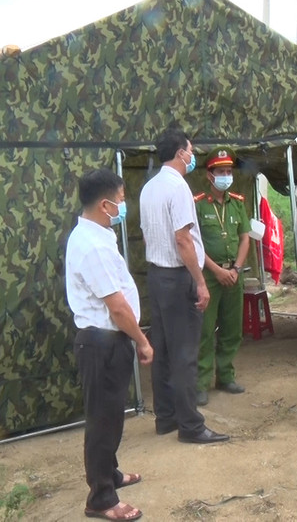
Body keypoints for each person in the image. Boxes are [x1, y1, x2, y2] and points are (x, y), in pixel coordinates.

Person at [65, 168, 153, 522]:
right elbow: (117, 307)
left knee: (112, 416)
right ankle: (101, 498)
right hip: (101, 344)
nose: (123, 205)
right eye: (120, 200)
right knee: (102, 422)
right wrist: (143, 341)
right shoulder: (90, 246)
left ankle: (111, 473)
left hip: (109, 342)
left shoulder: (99, 234)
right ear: (104, 204)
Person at [140, 127, 228, 444]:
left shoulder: (149, 188)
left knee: (162, 349)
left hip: (157, 276)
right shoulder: (178, 188)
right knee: (185, 353)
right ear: (180, 153)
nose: (193, 156)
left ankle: (166, 417)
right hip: (178, 278)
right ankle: (191, 425)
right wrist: (200, 282)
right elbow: (183, 239)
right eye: (191, 151)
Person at [194, 147, 251, 406]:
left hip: (234, 274)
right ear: (210, 175)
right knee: (205, 330)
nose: (226, 176)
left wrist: (236, 269)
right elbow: (193, 244)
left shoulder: (238, 202)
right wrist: (218, 271)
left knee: (232, 328)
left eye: (229, 172)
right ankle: (201, 382)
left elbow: (245, 238)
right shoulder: (197, 204)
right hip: (209, 274)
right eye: (221, 172)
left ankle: (225, 375)